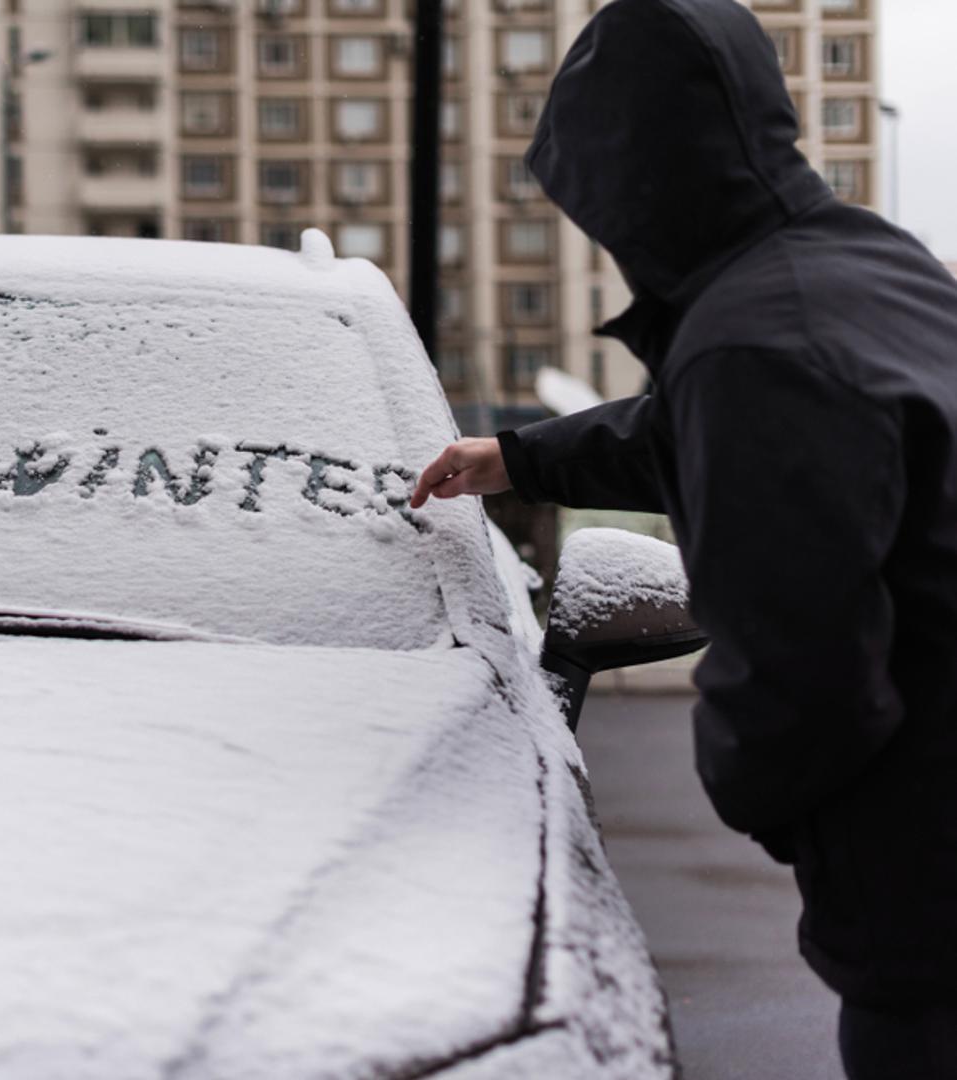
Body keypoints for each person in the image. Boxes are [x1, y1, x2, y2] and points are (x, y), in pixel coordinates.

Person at [408, 0, 957, 1076]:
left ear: (631, 178)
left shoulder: (751, 343)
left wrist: (772, 802)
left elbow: (802, 679)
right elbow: (692, 431)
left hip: (927, 895)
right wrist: (520, 459)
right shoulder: (866, 268)